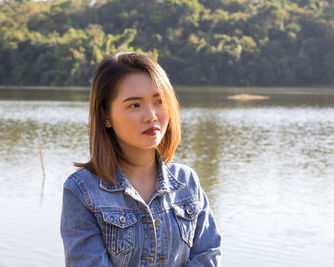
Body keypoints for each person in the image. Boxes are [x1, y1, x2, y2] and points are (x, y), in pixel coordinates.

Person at [60, 52, 222, 266]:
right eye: (135, 105)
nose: (151, 115)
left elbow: (208, 257)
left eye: (159, 101)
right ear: (106, 115)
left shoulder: (187, 181)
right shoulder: (81, 191)